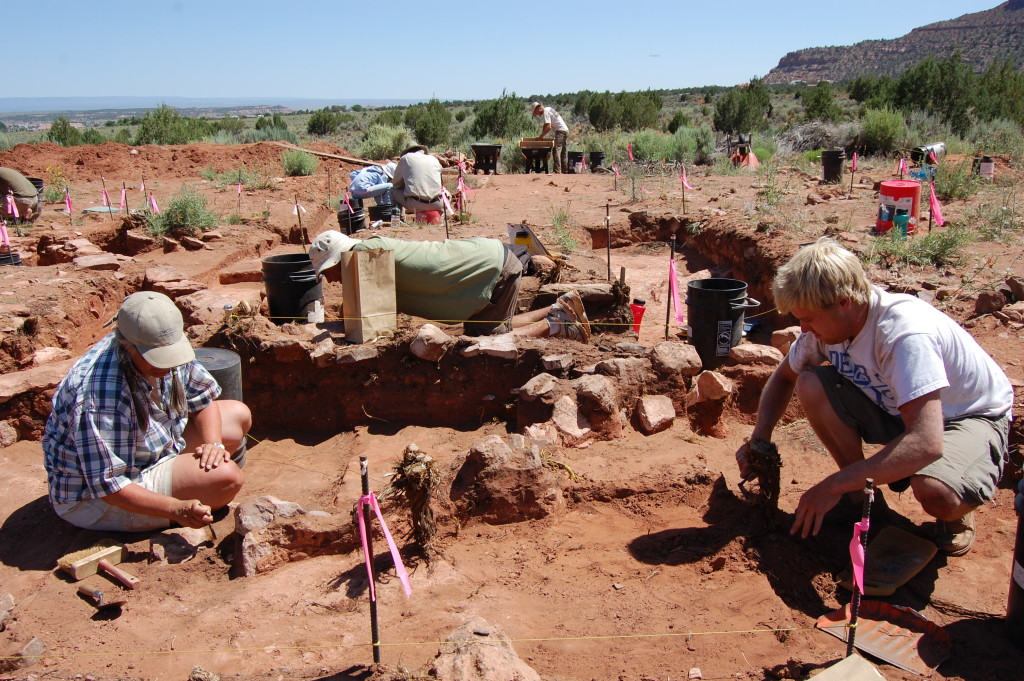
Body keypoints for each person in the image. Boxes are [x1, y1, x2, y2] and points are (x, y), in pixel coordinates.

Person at [736, 238, 1012, 556]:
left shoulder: (903, 335)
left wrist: (834, 484)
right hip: (898, 408)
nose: (804, 328)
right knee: (810, 384)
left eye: (809, 318)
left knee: (936, 492)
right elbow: (785, 378)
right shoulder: (828, 329)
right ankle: (860, 501)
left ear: (844, 302)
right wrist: (760, 440)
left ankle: (956, 504)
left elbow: (926, 442)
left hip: (965, 416)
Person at [43, 292, 252, 531]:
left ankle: (189, 480)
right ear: (127, 345)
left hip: (148, 449)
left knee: (236, 415)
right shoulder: (99, 397)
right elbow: (107, 485)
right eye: (157, 358)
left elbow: (202, 398)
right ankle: (183, 491)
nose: (167, 364)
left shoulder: (158, 342)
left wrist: (213, 444)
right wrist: (175, 508)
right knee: (226, 478)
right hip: (95, 499)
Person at [308, 229, 589, 341]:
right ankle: (558, 307)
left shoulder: (366, 256)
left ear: (340, 258)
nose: (331, 279)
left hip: (490, 268)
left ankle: (557, 325)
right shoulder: (368, 253)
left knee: (490, 344)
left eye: (329, 271)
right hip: (489, 260)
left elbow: (360, 315)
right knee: (487, 330)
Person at [390, 145, 446, 214]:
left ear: (407, 152)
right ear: (421, 151)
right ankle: (441, 217)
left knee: (393, 190)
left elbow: (396, 184)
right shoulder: (433, 159)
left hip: (416, 205)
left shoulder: (405, 158)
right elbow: (441, 184)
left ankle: (399, 219)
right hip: (438, 203)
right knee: (446, 192)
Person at [532, 102, 569, 174]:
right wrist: (542, 136)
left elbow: (548, 127)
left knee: (556, 150)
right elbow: (545, 125)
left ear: (538, 108)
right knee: (563, 151)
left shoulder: (545, 112)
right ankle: (565, 170)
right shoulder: (548, 109)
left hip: (560, 131)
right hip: (565, 130)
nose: (536, 114)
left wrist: (541, 137)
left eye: (535, 112)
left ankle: (557, 171)